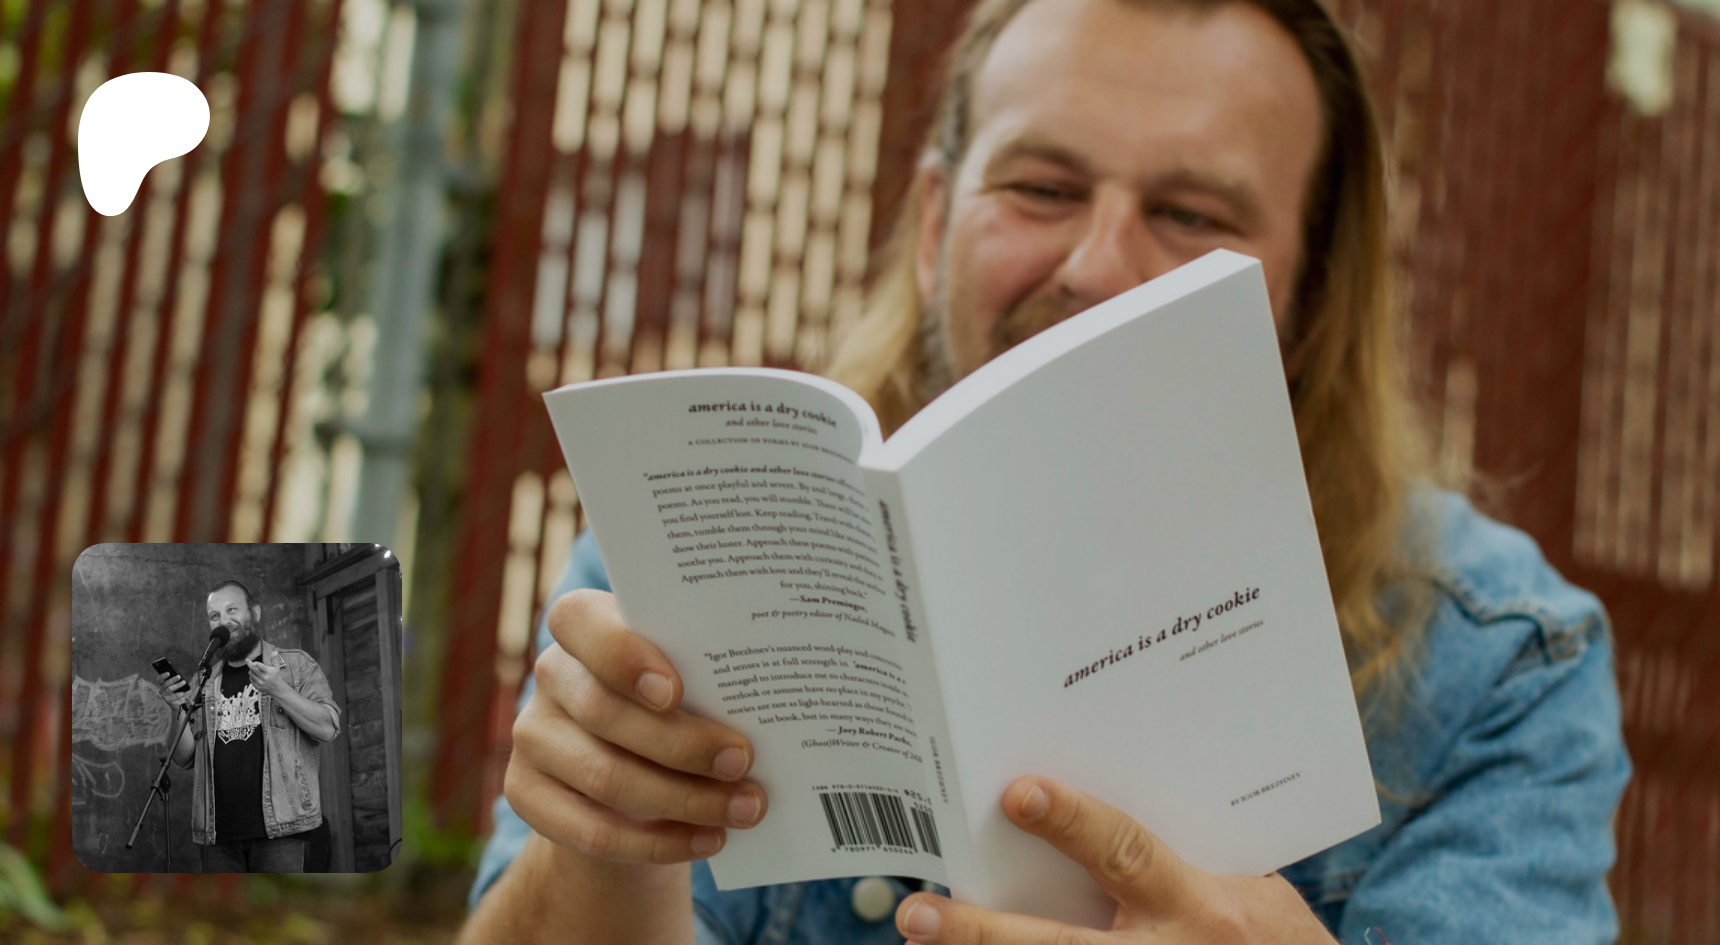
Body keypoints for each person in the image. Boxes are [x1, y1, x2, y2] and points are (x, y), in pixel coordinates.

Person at [459, 0, 1632, 941]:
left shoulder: (1499, 661)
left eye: (1190, 212)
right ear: (935, 227)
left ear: (1310, 293)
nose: (1099, 268)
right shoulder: (700, 552)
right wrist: (601, 850)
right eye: (1042, 190)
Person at [158, 579, 341, 872]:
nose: (223, 621)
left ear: (254, 613)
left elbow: (328, 728)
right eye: (215, 616)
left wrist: (279, 689)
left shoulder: (296, 666)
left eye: (232, 610)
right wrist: (177, 709)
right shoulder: (204, 681)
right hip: (217, 834)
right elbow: (183, 758)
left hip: (280, 831)